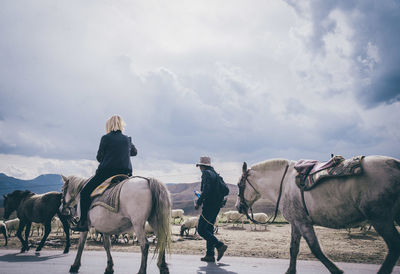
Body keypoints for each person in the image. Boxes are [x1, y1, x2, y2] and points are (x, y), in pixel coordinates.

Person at [73, 115, 137, 231]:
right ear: (121, 125)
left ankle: (82, 222)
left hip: (106, 173)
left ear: (108, 125)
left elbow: (99, 157)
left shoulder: (106, 138)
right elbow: (134, 153)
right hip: (125, 174)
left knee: (84, 192)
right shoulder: (127, 139)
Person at [195, 156, 228, 262]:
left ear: (202, 166)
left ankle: (219, 245)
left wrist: (198, 202)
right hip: (216, 206)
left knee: (201, 230)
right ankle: (210, 255)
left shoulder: (206, 174)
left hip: (208, 206)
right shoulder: (215, 174)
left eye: (200, 166)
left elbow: (206, 190)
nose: (199, 168)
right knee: (209, 229)